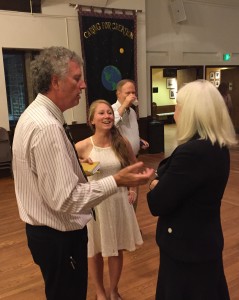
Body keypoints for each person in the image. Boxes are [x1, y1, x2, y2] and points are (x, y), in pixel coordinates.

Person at [12, 46, 154, 300]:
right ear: (55, 81)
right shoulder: (46, 127)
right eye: (76, 79)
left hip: (46, 233)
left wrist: (71, 160)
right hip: (58, 238)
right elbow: (67, 199)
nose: (84, 85)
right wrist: (117, 180)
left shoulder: (35, 115)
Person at [147, 80, 237, 300]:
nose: (175, 113)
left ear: (191, 113)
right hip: (203, 242)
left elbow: (156, 203)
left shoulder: (192, 153)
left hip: (185, 248)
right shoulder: (217, 146)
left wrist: (153, 182)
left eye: (178, 107)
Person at [75, 99, 143, 300]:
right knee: (94, 250)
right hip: (95, 205)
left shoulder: (122, 143)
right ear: (91, 120)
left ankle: (113, 290)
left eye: (109, 113)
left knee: (116, 249)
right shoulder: (82, 146)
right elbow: (69, 171)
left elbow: (134, 167)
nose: (107, 116)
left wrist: (133, 189)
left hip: (118, 201)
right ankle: (99, 292)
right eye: (101, 113)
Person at [112, 79, 149, 211]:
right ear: (118, 93)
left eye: (133, 92)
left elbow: (127, 131)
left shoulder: (132, 112)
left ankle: (132, 227)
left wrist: (138, 140)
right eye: (128, 93)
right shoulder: (111, 110)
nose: (131, 96)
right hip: (121, 161)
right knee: (124, 199)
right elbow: (112, 126)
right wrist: (124, 105)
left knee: (134, 198)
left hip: (134, 159)